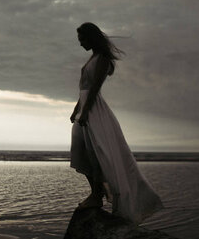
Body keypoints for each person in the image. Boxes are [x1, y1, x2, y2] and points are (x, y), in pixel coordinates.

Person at [70, 22, 163, 224]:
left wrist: (85, 111)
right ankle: (95, 194)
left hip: (94, 110)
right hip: (85, 109)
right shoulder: (92, 58)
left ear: (91, 38)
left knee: (97, 154)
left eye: (83, 39)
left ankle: (97, 197)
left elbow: (94, 88)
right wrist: (76, 109)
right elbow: (83, 88)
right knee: (83, 151)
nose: (80, 44)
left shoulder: (102, 59)